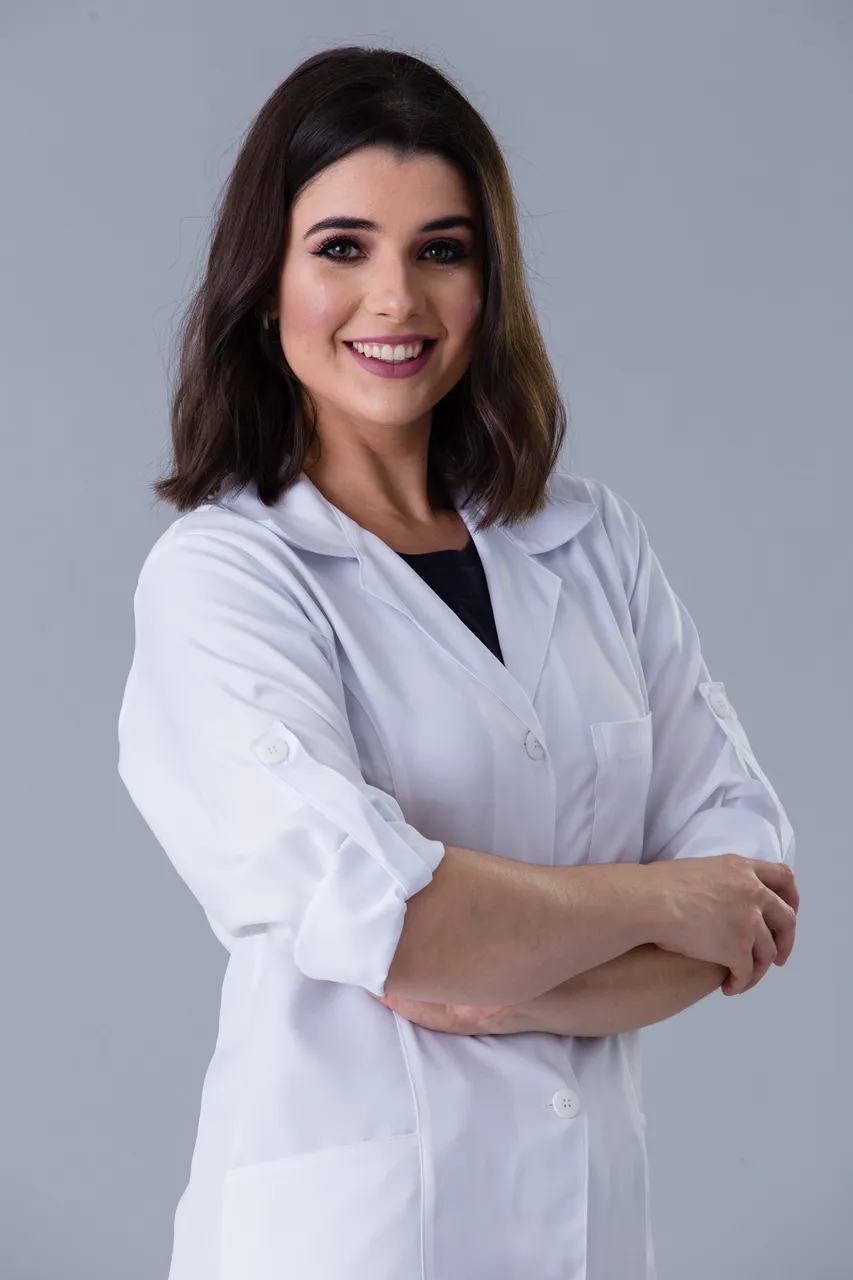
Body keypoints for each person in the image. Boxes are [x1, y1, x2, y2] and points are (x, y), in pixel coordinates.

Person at [116, 45, 799, 1280]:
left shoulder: (591, 543)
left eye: (442, 249)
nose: (396, 299)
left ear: (490, 284)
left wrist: (522, 989)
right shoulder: (223, 578)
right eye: (341, 247)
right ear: (264, 284)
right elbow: (396, 922)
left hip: (585, 1231)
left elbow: (745, 897)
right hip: (353, 1239)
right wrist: (660, 901)